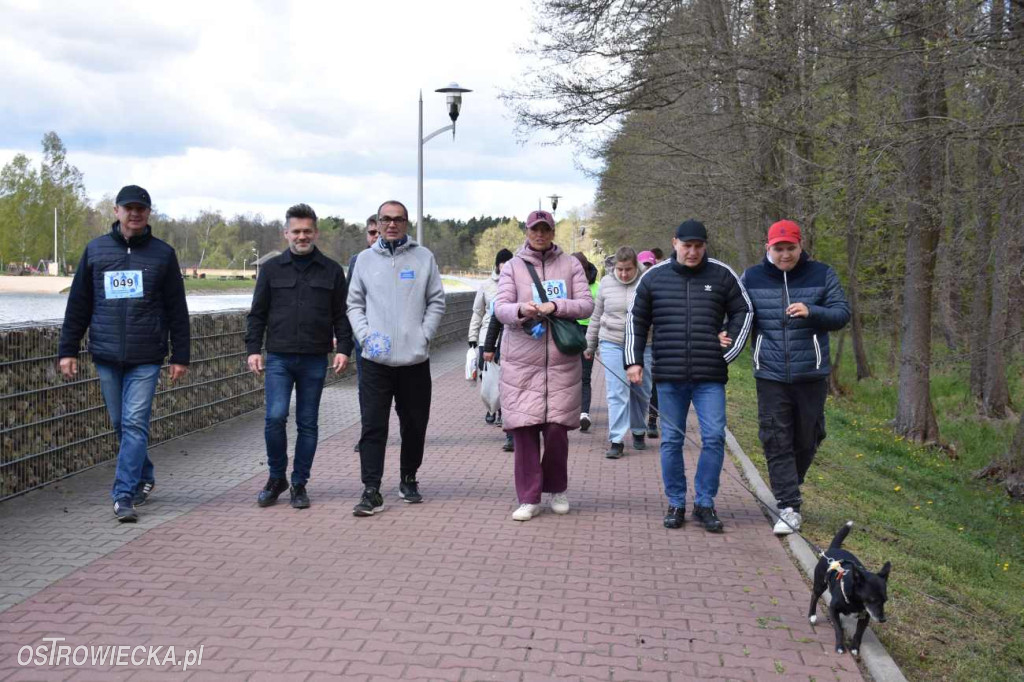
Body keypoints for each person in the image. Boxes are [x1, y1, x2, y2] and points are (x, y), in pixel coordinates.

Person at [58, 185, 190, 523]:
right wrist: (68, 350)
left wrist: (181, 356)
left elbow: (177, 309)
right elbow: (79, 304)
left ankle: (123, 494)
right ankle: (144, 475)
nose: (135, 214)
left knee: (134, 422)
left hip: (146, 355)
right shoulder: (96, 250)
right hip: (106, 354)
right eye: (128, 208)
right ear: (116, 211)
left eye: (141, 209)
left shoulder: (163, 254)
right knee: (121, 423)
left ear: (148, 214)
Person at [626, 219, 752, 532]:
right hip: (669, 375)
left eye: (698, 246)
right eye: (687, 245)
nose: (692, 252)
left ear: (705, 245)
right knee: (671, 440)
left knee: (713, 437)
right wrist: (633, 360)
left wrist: (730, 347)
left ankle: (705, 503)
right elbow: (636, 319)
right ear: (675, 243)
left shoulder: (722, 274)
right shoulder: (654, 277)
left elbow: (744, 311)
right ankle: (676, 502)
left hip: (710, 375)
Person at [741, 220, 850, 535]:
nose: (785, 254)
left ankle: (789, 482)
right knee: (776, 438)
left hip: (810, 373)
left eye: (790, 248)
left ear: (801, 246)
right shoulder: (752, 277)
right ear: (768, 247)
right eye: (779, 248)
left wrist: (812, 310)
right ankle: (789, 505)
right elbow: (739, 314)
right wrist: (725, 333)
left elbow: (842, 314)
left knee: (808, 437)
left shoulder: (822, 274)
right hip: (770, 373)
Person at [246, 203, 353, 509]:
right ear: (286, 234)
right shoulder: (271, 269)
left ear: (315, 232)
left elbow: (341, 315)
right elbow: (257, 314)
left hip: (314, 358)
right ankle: (275, 476)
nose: (302, 236)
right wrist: (253, 349)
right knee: (275, 417)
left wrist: (344, 348)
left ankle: (299, 483)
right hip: (278, 357)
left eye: (307, 231)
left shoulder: (332, 270)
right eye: (296, 231)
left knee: (307, 423)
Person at [494, 210, 594, 522]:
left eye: (545, 230)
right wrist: (522, 309)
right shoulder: (512, 266)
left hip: (561, 361)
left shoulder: (570, 264)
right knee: (524, 430)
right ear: (527, 232)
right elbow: (501, 308)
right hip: (521, 361)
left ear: (552, 232)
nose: (540, 235)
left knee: (556, 430)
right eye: (535, 230)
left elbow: (586, 304)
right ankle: (529, 497)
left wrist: (556, 306)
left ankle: (558, 489)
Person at [347, 200, 446, 516]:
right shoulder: (364, 261)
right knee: (373, 426)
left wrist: (423, 335)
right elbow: (354, 305)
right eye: (386, 219)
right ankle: (371, 489)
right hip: (375, 361)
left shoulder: (423, 258)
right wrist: (366, 338)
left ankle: (409, 477)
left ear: (407, 223)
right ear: (377, 222)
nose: (391, 224)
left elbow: (436, 302)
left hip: (414, 360)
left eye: (398, 219)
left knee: (415, 424)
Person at [585, 247, 653, 459]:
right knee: (617, 391)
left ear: (636, 267)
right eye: (620, 269)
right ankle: (616, 439)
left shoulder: (648, 281)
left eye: (628, 269)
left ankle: (639, 429)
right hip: (612, 341)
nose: (624, 274)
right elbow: (596, 316)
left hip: (643, 343)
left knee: (641, 390)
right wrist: (590, 344)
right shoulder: (606, 283)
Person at [469, 248, 514, 427]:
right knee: (486, 373)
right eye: (502, 263)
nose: (505, 267)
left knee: (504, 375)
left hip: (506, 337)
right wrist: (472, 336)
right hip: (485, 336)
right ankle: (491, 407)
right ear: (497, 265)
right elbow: (477, 312)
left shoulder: (515, 284)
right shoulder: (486, 285)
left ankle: (502, 410)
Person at [348, 215, 380, 453]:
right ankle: (367, 434)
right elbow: (350, 300)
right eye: (371, 233)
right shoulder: (357, 261)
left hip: (396, 335)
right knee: (366, 387)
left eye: (378, 232)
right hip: (364, 336)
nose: (375, 237)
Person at [572, 252, 599, 432]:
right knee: (567, 373)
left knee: (585, 376)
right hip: (570, 331)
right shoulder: (567, 285)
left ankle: (584, 413)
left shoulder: (597, 287)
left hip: (589, 332)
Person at [637, 249, 660, 439]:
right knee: (641, 384)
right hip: (638, 343)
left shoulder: (660, 285)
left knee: (654, 385)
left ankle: (652, 421)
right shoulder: (634, 286)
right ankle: (638, 421)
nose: (646, 269)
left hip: (657, 342)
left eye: (649, 266)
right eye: (643, 266)